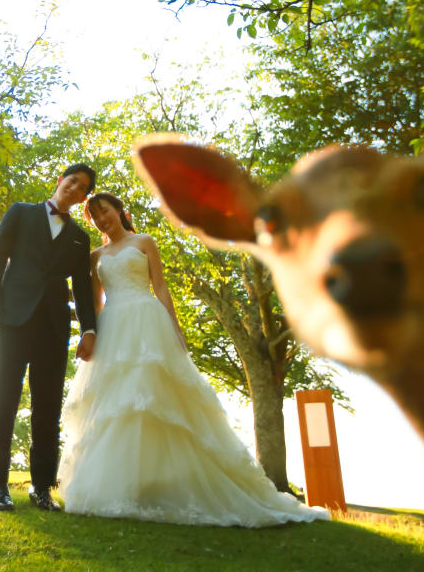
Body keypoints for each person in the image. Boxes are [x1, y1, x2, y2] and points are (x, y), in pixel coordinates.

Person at [57, 192, 329, 527]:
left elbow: (160, 286)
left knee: (154, 399)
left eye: (106, 211)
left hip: (146, 321)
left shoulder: (145, 242)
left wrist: (175, 327)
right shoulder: (95, 255)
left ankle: (167, 485)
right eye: (95, 216)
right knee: (115, 406)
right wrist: (91, 335)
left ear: (119, 211)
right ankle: (123, 486)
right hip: (113, 327)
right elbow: (94, 303)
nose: (102, 219)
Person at [0, 164, 98, 512]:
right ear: (60, 181)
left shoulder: (80, 236)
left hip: (54, 327)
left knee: (48, 407)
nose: (74, 188)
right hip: (13, 319)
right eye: (72, 181)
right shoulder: (20, 213)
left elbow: (82, 289)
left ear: (82, 198)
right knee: (4, 398)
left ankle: (42, 486)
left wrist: (89, 330)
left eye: (82, 188)